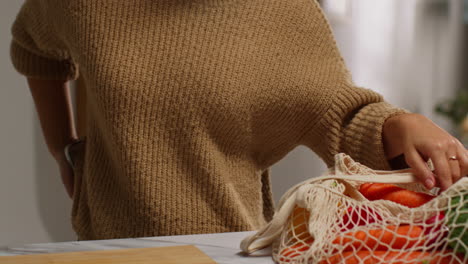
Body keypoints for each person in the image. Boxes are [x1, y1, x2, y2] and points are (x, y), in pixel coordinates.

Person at [10, 0, 467, 240]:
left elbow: (338, 113)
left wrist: (397, 123)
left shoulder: (282, 11)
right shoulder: (84, 4)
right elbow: (32, 44)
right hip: (106, 247)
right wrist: (62, 148)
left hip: (225, 250)